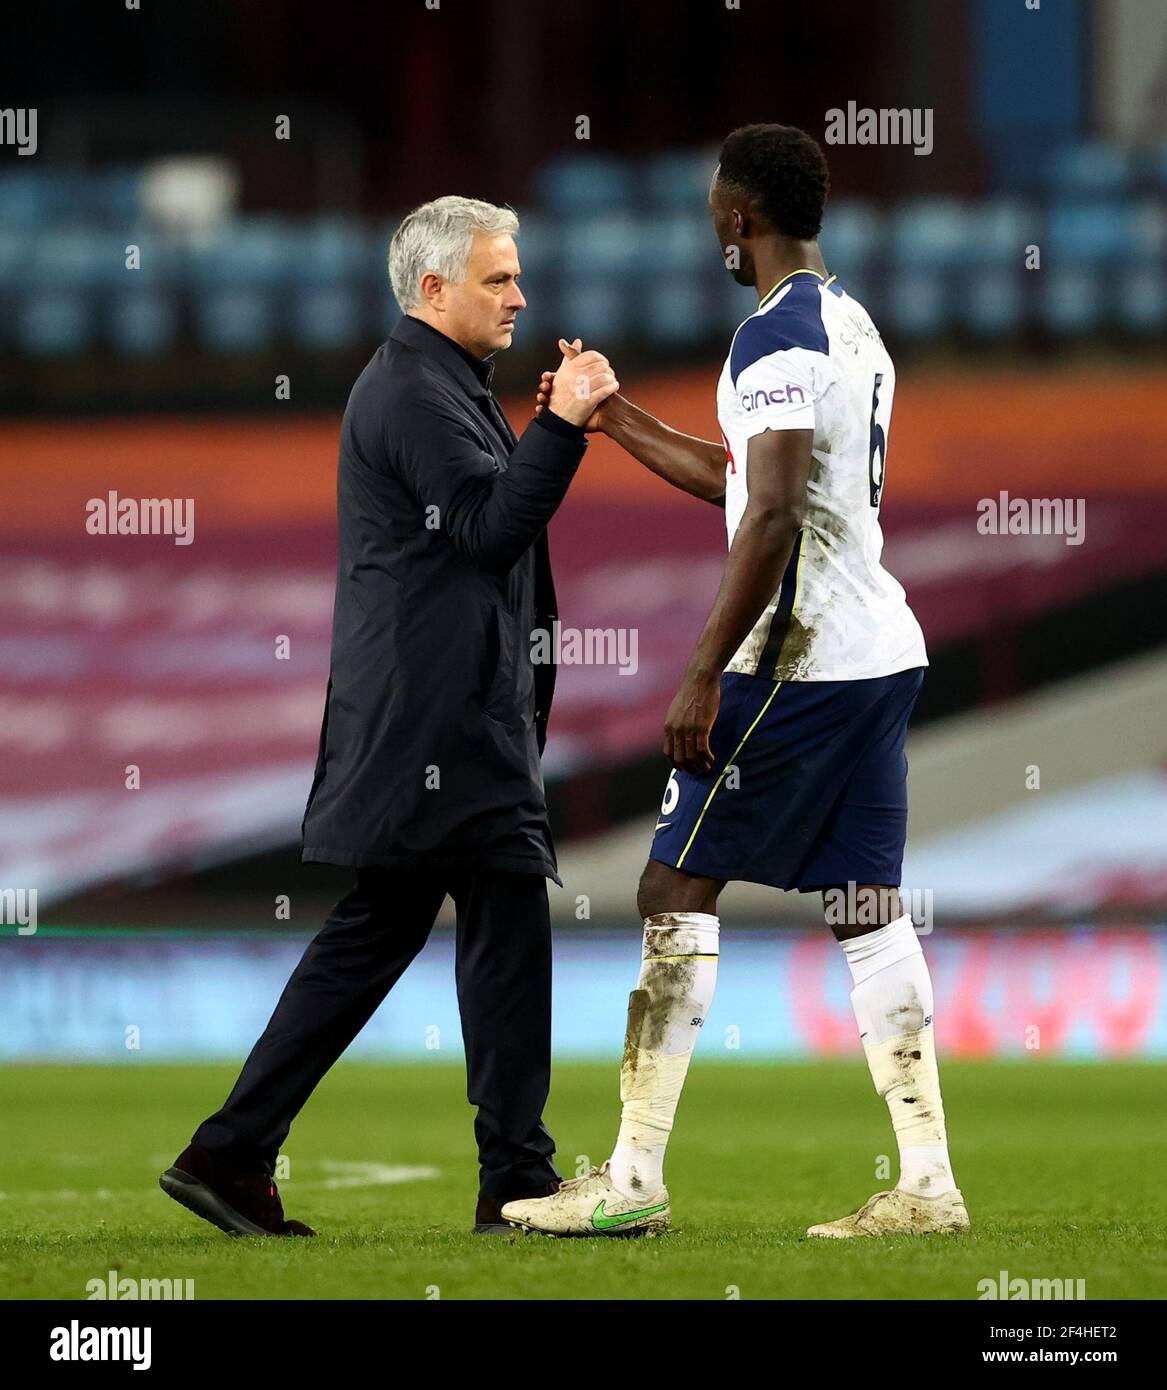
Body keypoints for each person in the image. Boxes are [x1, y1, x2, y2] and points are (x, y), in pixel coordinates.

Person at [503, 125, 967, 1240]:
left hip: (793, 662)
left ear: (739, 218)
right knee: (866, 909)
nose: (713, 225)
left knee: (673, 891)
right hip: (876, 654)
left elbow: (767, 516)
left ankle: (631, 1178)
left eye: (717, 209)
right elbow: (741, 480)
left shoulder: (774, 341)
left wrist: (702, 675)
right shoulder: (847, 324)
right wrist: (612, 419)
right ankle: (928, 1182)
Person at [159, 195, 618, 1237]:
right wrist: (563, 426)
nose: (521, 296)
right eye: (500, 279)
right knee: (491, 921)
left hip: (437, 716)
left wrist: (544, 428)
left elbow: (482, 530)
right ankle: (516, 1179)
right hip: (438, 726)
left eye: (517, 276)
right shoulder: (414, 389)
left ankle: (232, 1152)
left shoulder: (434, 382)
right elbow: (489, 530)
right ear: (433, 287)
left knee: (396, 924)